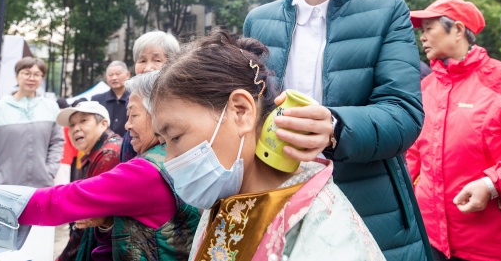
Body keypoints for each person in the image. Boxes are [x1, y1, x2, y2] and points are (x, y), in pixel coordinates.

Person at [242, 0, 430, 260]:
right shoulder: (259, 20)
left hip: (369, 204)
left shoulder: (387, 11)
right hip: (278, 196)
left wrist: (334, 128)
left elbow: (404, 113)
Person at [150, 29, 384, 260]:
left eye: (176, 137)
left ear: (241, 112)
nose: (169, 160)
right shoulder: (221, 204)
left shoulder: (328, 232)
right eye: (163, 143)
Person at [17, 71, 200, 261]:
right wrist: (108, 221)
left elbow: (66, 199)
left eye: (133, 115)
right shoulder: (167, 156)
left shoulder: (141, 170)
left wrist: (4, 205)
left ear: (159, 115)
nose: (127, 125)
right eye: (71, 125)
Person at [406, 0, 501, 261]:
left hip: (490, 245)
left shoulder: (500, 82)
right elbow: (413, 158)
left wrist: (492, 184)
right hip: (431, 240)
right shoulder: (425, 89)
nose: (422, 37)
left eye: (429, 28)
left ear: (458, 30)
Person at [0, 57, 64, 187]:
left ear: (42, 78)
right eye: (26, 73)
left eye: (37, 74)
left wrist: (50, 171)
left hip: (41, 187)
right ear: (17, 76)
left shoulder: (51, 107)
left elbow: (57, 142)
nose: (31, 78)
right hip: (4, 188)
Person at [55, 101, 122, 261]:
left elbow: (87, 219)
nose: (76, 128)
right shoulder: (95, 152)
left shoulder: (108, 154)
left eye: (83, 121)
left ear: (103, 124)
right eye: (72, 125)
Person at [119, 30, 181, 163]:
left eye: (157, 60)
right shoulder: (132, 99)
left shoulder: (179, 106)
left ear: (174, 63)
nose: (148, 68)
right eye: (142, 60)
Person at [91, 61, 130, 137]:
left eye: (118, 74)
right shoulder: (97, 100)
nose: (114, 78)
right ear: (106, 77)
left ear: (127, 75)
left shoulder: (135, 98)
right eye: (110, 75)